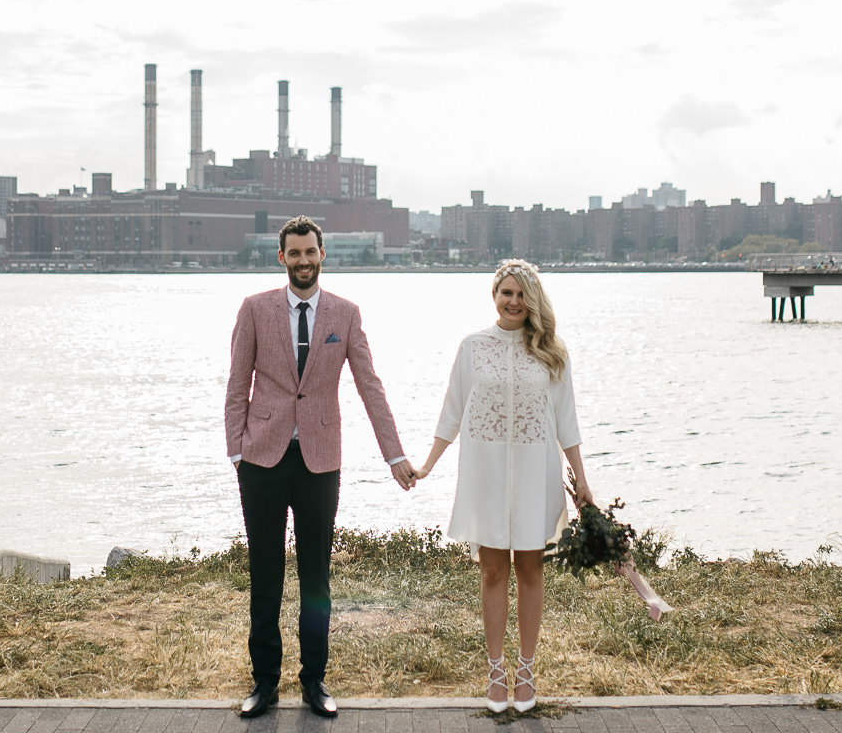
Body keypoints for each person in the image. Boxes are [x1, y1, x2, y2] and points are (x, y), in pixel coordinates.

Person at [223, 215, 416, 719]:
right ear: (281, 257)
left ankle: (314, 681)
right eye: (295, 253)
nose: (303, 261)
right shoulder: (254, 309)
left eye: (311, 252)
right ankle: (264, 683)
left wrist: (394, 455)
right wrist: (237, 453)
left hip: (319, 462)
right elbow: (236, 385)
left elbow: (370, 386)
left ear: (322, 255)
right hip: (262, 460)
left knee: (316, 578)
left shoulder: (345, 315)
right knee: (265, 575)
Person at [414, 259, 590, 714]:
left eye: (521, 295)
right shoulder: (473, 347)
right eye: (506, 293)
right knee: (492, 571)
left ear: (533, 300)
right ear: (494, 296)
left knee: (531, 571)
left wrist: (583, 481)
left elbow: (567, 422)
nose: (513, 302)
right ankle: (496, 673)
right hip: (486, 472)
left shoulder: (553, 352)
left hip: (537, 472)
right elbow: (451, 411)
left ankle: (526, 671)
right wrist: (428, 465)